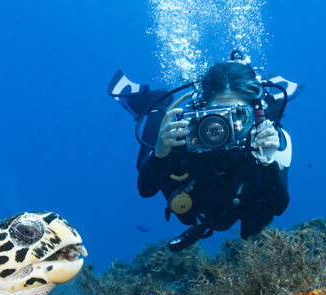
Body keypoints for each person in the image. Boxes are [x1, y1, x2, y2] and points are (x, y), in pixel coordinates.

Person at [109, 55, 297, 251]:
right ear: (202, 108)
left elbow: (278, 206)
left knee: (265, 117)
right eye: (216, 114)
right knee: (150, 153)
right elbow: (146, 189)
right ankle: (156, 104)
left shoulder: (262, 140)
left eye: (237, 115)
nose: (222, 127)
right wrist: (159, 153)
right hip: (199, 203)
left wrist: (267, 164)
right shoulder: (187, 135)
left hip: (242, 199)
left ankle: (267, 99)